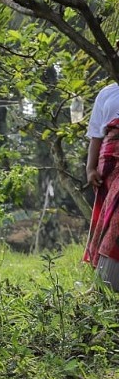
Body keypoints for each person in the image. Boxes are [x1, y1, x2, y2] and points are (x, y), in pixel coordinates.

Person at [84, 81, 119, 289]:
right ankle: (103, 289)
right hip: (108, 166)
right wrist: (90, 168)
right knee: (109, 219)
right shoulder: (107, 92)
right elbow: (96, 135)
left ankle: (106, 285)